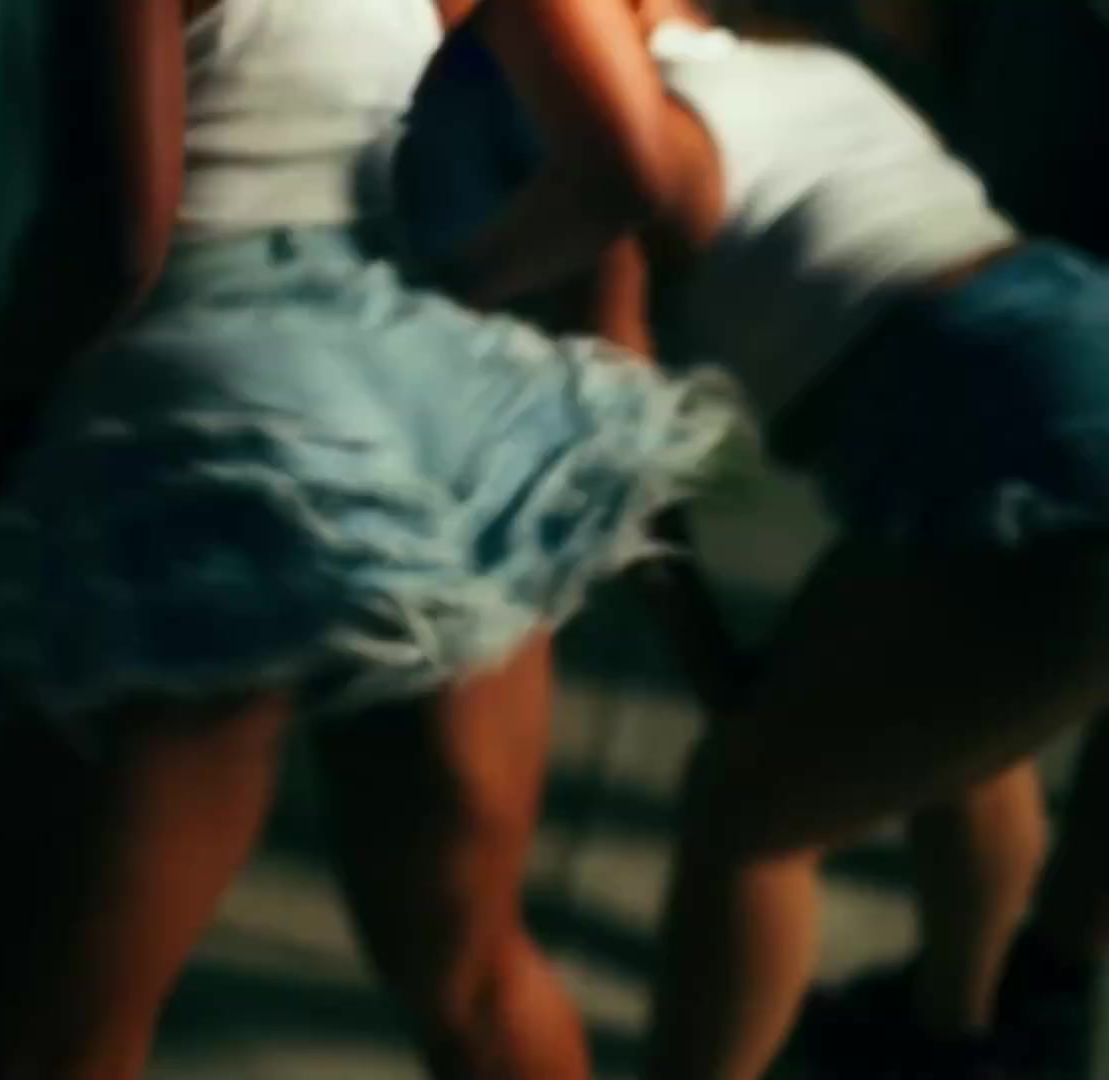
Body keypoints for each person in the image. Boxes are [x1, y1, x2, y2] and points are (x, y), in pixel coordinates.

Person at [0, 1, 747, 1078]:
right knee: (472, 976)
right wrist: (448, 299)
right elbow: (624, 166)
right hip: (415, 403)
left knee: (50, 1031)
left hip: (200, 412)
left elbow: (118, 236)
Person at [397, 1, 1109, 1076]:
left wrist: (704, 651)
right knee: (956, 734)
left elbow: (616, 427)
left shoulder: (646, 144)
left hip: (1016, 426)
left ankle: (962, 1043)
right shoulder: (801, 65)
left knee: (743, 816)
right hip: (1057, 356)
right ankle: (958, 1036)